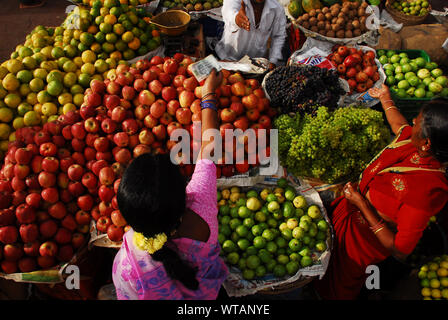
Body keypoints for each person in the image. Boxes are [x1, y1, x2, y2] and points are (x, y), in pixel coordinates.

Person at [313, 84, 448, 300]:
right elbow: (399, 125)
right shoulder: (415, 145)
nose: (413, 121)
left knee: (341, 278)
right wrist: (386, 100)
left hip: (362, 241)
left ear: (427, 142)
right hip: (349, 212)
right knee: (324, 257)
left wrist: (362, 204)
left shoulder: (426, 193)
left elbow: (399, 249)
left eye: (418, 121)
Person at [112, 69, 229, 300]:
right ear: (183, 195)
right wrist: (208, 92)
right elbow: (209, 146)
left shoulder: (129, 267)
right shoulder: (201, 207)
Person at [215, 0, 287, 68]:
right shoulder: (234, 1)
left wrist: (273, 60)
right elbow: (228, 12)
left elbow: (278, 36)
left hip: (256, 66)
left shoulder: (277, 8)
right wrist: (236, 19)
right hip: (228, 61)